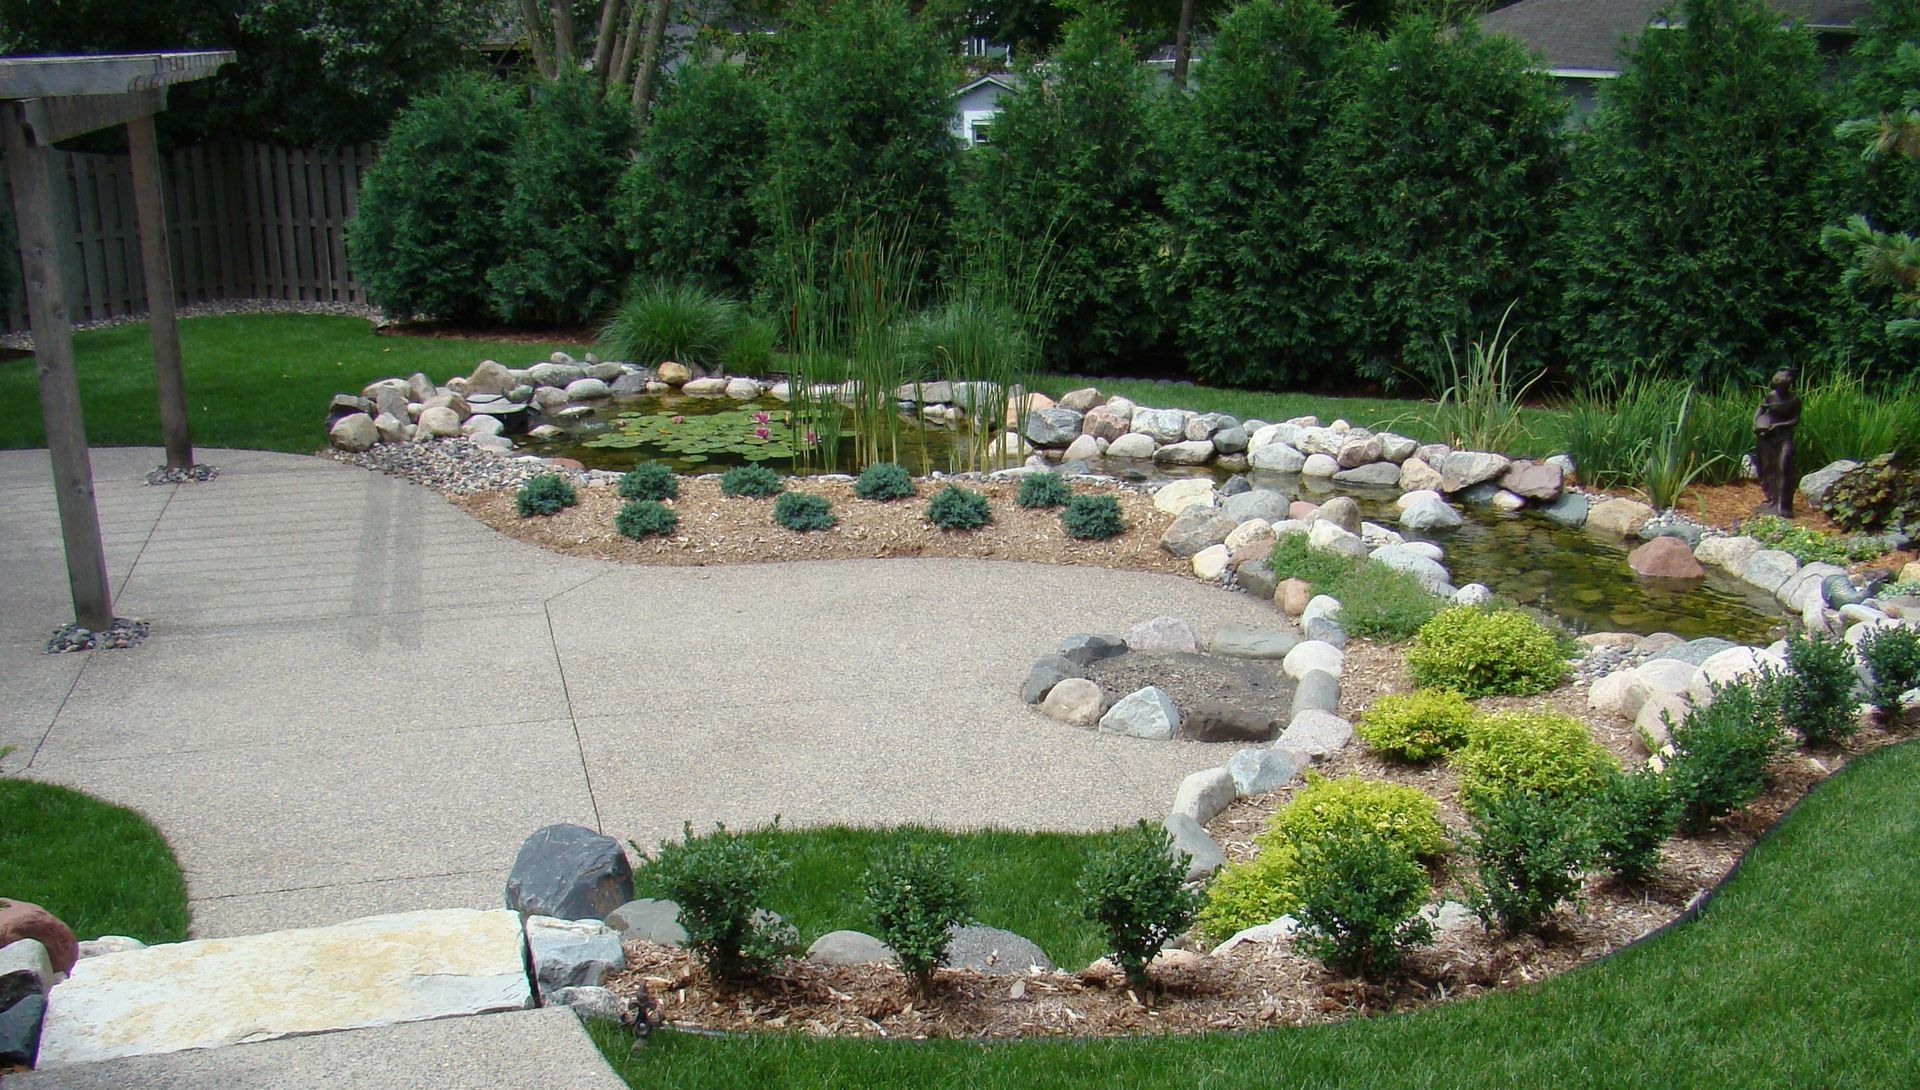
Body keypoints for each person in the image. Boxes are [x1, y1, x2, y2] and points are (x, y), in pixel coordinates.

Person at [1753, 368, 1800, 517]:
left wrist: (1779, 425)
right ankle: (1772, 499)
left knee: (1784, 465)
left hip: (1784, 437)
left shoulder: (1794, 400)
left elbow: (1795, 420)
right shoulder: (1770, 396)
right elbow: (1761, 408)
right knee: (1768, 466)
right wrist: (1756, 422)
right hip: (1767, 436)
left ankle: (1784, 505)